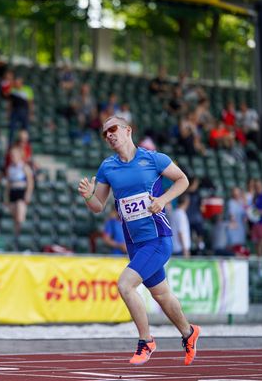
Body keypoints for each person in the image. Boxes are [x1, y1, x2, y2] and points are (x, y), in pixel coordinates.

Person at [77, 116, 200, 366]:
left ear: (128, 130)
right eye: (104, 133)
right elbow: (98, 207)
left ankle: (146, 341)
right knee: (162, 295)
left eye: (113, 129)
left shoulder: (153, 158)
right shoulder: (107, 167)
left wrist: (163, 199)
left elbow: (183, 180)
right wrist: (89, 196)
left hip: (157, 239)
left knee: (125, 285)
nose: (109, 135)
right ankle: (189, 333)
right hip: (135, 243)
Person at [4, 147, 34, 237]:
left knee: (20, 216)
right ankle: (15, 236)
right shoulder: (10, 168)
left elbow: (30, 182)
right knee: (14, 218)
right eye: (12, 155)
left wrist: (28, 194)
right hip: (13, 192)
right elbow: (8, 185)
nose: (13, 157)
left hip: (21, 192)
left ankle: (21, 237)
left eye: (14, 155)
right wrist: (6, 197)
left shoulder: (24, 167)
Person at [8, 77, 34, 144]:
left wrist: (30, 113)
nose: (16, 84)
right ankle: (10, 145)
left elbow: (30, 103)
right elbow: (10, 102)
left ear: (21, 83)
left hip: (24, 111)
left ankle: (26, 146)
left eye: (18, 82)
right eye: (15, 83)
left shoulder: (27, 89)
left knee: (25, 130)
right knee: (12, 129)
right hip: (15, 111)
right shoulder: (13, 90)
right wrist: (9, 112)